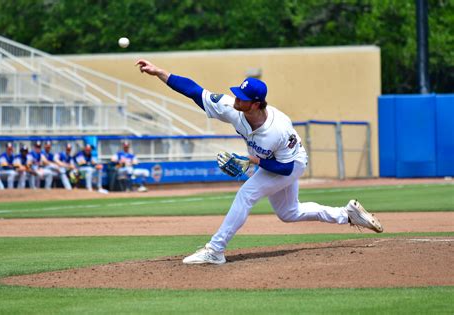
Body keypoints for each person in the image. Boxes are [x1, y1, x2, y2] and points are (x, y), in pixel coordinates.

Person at [136, 59, 384, 265]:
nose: (236, 97)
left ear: (256, 104)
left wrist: (253, 161)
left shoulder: (277, 129)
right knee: (289, 213)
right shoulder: (233, 108)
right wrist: (160, 72)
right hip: (273, 162)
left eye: (242, 97)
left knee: (246, 194)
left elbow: (286, 169)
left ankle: (215, 250)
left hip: (291, 163)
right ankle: (347, 214)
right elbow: (193, 90)